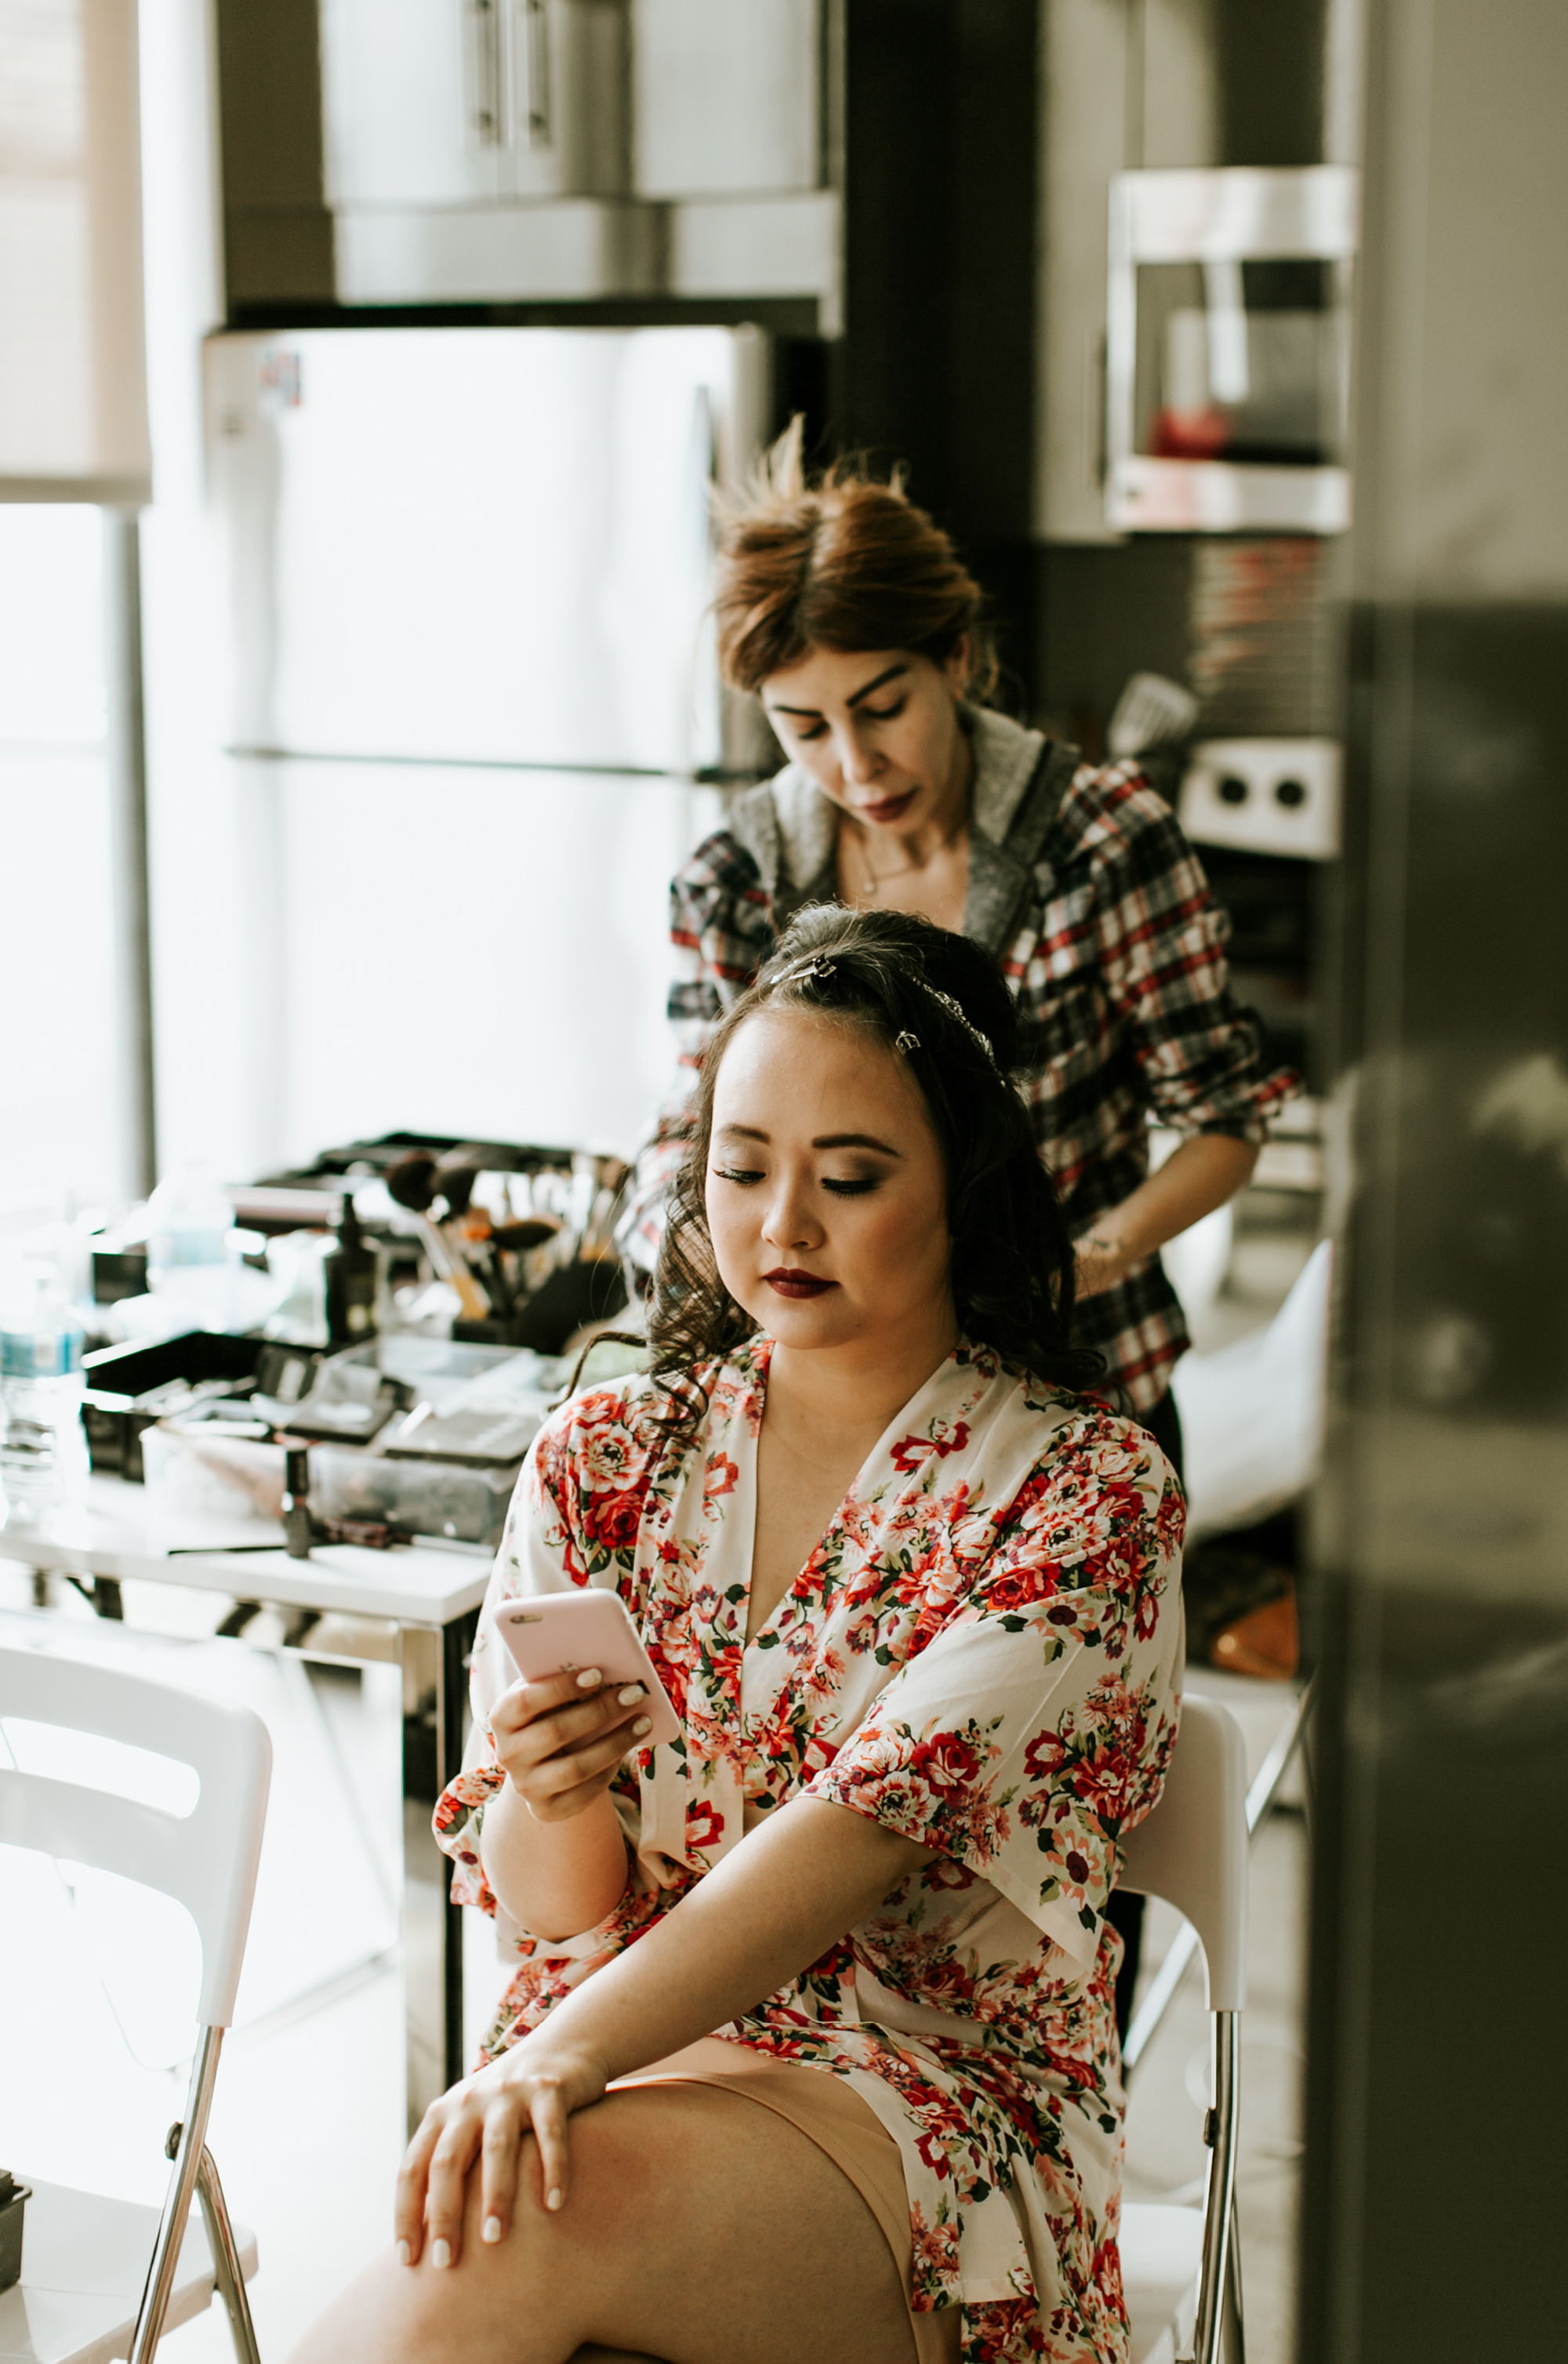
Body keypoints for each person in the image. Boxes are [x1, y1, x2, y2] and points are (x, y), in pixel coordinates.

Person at [289, 907, 1185, 2364]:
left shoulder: (1085, 1497)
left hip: (930, 2105)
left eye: (849, 1177)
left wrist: (568, 2052)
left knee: (508, 2226)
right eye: (742, 1168)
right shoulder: (609, 1452)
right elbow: (555, 1907)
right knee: (502, 2215)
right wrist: (551, 1789)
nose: (782, 1226)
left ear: (968, 1188)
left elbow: (845, 1843)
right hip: (623, 2052)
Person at [618, 424, 1294, 2024]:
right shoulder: (738, 872)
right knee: (824, 1859)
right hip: (831, 1426)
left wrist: (1089, 1252)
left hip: (1071, 1393)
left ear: (958, 660)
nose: (852, 763)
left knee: (1049, 1886)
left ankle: (1018, 2171)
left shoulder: (1100, 837)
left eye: (882, 705)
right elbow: (688, 1129)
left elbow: (1224, 1112)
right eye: (802, 727)